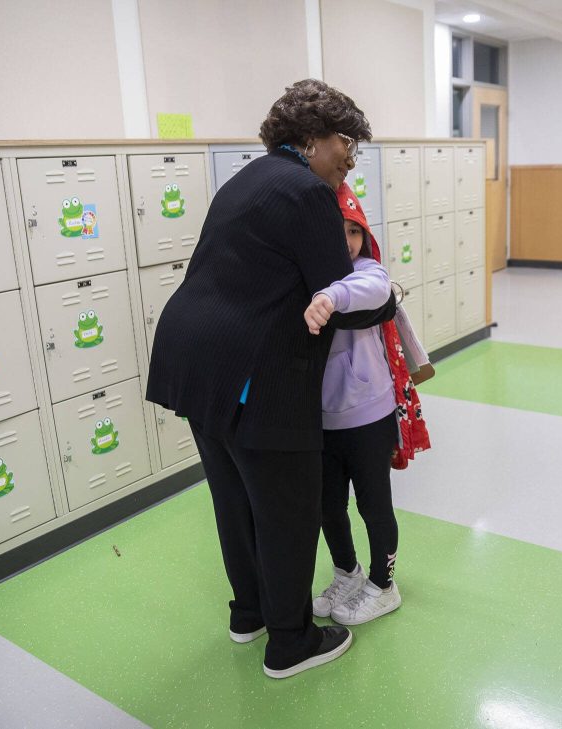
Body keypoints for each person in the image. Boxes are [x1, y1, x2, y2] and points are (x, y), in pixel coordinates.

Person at [146, 79, 396, 680]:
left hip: (195, 362)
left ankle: (249, 613)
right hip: (254, 372)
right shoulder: (308, 192)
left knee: (235, 501)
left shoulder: (249, 178)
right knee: (286, 509)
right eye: (345, 142)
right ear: (311, 139)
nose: (351, 157)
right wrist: (388, 296)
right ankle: (290, 642)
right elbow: (335, 294)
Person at [302, 183, 432, 626]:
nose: (346, 241)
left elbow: (375, 290)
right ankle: (347, 573)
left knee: (374, 505)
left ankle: (383, 583)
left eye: (353, 231)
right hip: (320, 417)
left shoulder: (368, 271)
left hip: (368, 414)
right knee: (327, 505)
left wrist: (328, 298)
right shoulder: (303, 271)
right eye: (335, 231)